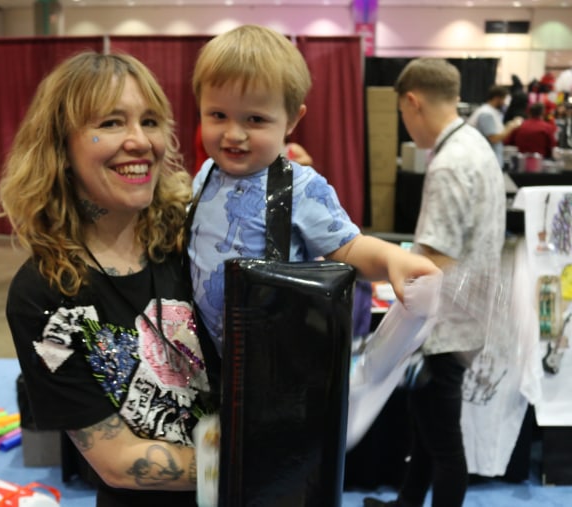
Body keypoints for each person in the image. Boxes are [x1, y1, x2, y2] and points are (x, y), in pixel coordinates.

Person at [0, 52, 215, 507]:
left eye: (151, 121)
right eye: (112, 123)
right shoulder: (45, 294)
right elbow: (118, 460)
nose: (139, 141)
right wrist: (253, 462)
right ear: (63, 145)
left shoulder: (197, 235)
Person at [188, 24, 440, 355]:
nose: (234, 134)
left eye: (255, 120)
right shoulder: (206, 174)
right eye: (218, 115)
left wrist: (392, 258)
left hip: (271, 361)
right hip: (202, 358)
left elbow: (348, 249)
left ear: (292, 120)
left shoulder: (300, 187)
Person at [364, 58, 506, 507]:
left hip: (445, 324)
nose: (407, 126)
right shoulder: (476, 144)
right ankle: (407, 502)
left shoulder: (449, 162)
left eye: (404, 116)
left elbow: (435, 256)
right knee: (426, 428)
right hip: (467, 314)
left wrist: (387, 270)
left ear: (412, 102)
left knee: (443, 444)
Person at [467, 84, 522, 170]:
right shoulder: (486, 114)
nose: (504, 103)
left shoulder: (491, 112)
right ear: (497, 98)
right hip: (486, 163)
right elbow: (494, 138)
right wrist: (512, 126)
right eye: (503, 99)